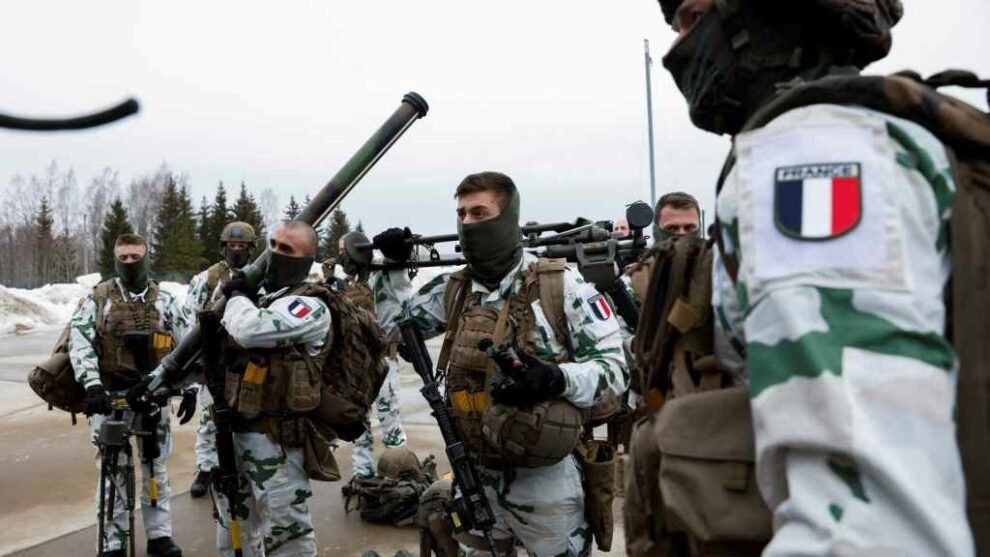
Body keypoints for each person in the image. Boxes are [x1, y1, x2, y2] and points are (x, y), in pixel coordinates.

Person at [628, 0, 974, 554]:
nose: (675, 51)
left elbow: (864, 520)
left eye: (691, 17)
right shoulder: (882, 133)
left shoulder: (812, 154)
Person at [373, 171, 628, 556]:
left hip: (546, 484)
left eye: (480, 213)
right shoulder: (455, 290)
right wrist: (392, 266)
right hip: (475, 475)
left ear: (508, 217)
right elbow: (394, 326)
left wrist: (556, 378)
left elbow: (615, 371)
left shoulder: (563, 287)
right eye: (462, 215)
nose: (469, 224)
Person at [207, 220, 331, 556]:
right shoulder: (258, 297)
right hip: (233, 435)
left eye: (287, 249)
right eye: (273, 245)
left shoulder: (310, 305)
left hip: (277, 444)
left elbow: (250, 329)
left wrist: (235, 297)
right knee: (234, 534)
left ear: (306, 260)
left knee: (287, 538)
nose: (275, 254)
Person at [69, 233, 184, 557]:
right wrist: (91, 384)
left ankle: (160, 535)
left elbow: (186, 343)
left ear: (147, 257)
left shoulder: (166, 300)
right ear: (116, 259)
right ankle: (112, 542)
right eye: (124, 258)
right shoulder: (99, 298)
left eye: (136, 257)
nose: (130, 263)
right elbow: (80, 343)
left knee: (155, 468)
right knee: (112, 473)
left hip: (153, 398)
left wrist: (186, 388)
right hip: (111, 398)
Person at [180, 221, 257, 498]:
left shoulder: (257, 275)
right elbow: (190, 318)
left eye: (242, 246)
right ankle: (206, 468)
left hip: (248, 356)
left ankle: (245, 464)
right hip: (215, 357)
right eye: (232, 245)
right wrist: (195, 362)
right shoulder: (207, 279)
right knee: (209, 417)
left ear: (250, 248)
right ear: (224, 246)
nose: (236, 250)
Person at [327, 237, 409, 480]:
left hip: (382, 360)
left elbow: (401, 296)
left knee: (389, 420)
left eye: (345, 252)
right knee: (358, 422)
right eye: (340, 251)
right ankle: (363, 474)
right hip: (354, 364)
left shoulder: (379, 276)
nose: (342, 257)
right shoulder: (346, 283)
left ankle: (400, 472)